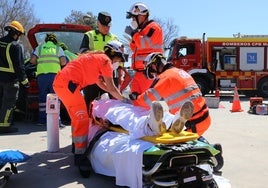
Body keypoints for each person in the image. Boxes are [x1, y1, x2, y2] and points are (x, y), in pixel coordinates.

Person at [53, 40, 126, 178]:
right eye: (119, 58)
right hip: (68, 86)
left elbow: (101, 84)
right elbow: (111, 87)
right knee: (82, 120)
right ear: (113, 53)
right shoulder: (105, 61)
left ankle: (76, 148)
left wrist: (119, 97)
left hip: (63, 84)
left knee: (77, 119)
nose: (119, 62)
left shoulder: (97, 59)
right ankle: (81, 158)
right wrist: (124, 100)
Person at [79, 11, 119, 112]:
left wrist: (120, 74)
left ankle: (109, 125)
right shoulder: (89, 35)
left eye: (109, 26)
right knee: (90, 102)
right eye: (104, 25)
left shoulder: (115, 38)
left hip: (110, 75)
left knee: (112, 103)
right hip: (92, 76)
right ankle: (89, 124)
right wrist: (100, 54)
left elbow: (119, 58)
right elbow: (82, 53)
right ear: (98, 23)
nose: (107, 28)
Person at [124, 2, 164, 98]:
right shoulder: (141, 31)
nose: (132, 20)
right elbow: (134, 48)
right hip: (139, 72)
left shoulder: (154, 27)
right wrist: (135, 35)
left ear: (142, 16)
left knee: (146, 102)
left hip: (149, 73)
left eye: (134, 17)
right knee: (135, 99)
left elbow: (145, 43)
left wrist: (133, 34)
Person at [30, 33, 66, 125]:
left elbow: (32, 60)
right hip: (54, 76)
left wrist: (40, 63)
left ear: (46, 40)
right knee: (55, 98)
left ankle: (42, 121)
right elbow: (63, 62)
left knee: (42, 98)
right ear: (55, 41)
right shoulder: (58, 48)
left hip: (42, 76)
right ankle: (56, 121)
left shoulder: (40, 48)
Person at [0, 20, 30, 133]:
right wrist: (25, 81)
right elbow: (19, 66)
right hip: (10, 80)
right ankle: (4, 126)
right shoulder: (15, 46)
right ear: (16, 33)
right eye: (19, 35)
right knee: (9, 102)